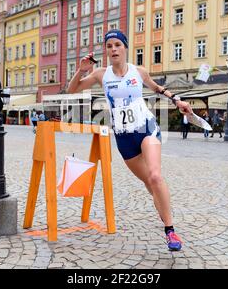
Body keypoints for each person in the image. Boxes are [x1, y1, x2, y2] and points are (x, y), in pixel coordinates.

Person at [67, 30, 193, 251]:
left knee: (155, 176)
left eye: (117, 44)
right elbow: (72, 89)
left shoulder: (139, 71)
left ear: (125, 48)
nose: (113, 49)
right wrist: (81, 70)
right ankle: (165, 212)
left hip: (146, 128)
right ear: (106, 51)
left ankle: (170, 230)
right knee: (150, 184)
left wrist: (177, 100)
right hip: (124, 137)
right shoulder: (100, 74)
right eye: (109, 46)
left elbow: (156, 88)